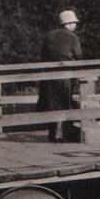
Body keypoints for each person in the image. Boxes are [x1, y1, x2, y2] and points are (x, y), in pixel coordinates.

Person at [37, 9, 83, 142]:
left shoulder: (49, 35)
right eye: (74, 23)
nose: (75, 26)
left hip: (49, 74)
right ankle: (63, 134)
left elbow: (43, 54)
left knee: (52, 103)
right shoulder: (73, 37)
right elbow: (79, 55)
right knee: (65, 103)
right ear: (68, 23)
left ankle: (53, 133)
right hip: (65, 75)